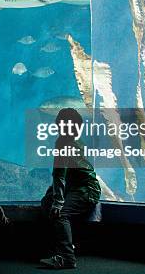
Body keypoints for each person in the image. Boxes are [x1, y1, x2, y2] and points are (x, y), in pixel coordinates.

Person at [40, 108, 101, 270]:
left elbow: (60, 174)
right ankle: (62, 246)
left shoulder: (64, 143)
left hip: (86, 190)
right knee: (47, 202)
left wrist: (58, 202)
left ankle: (67, 257)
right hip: (79, 187)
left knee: (61, 214)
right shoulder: (71, 141)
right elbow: (65, 174)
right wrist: (53, 196)